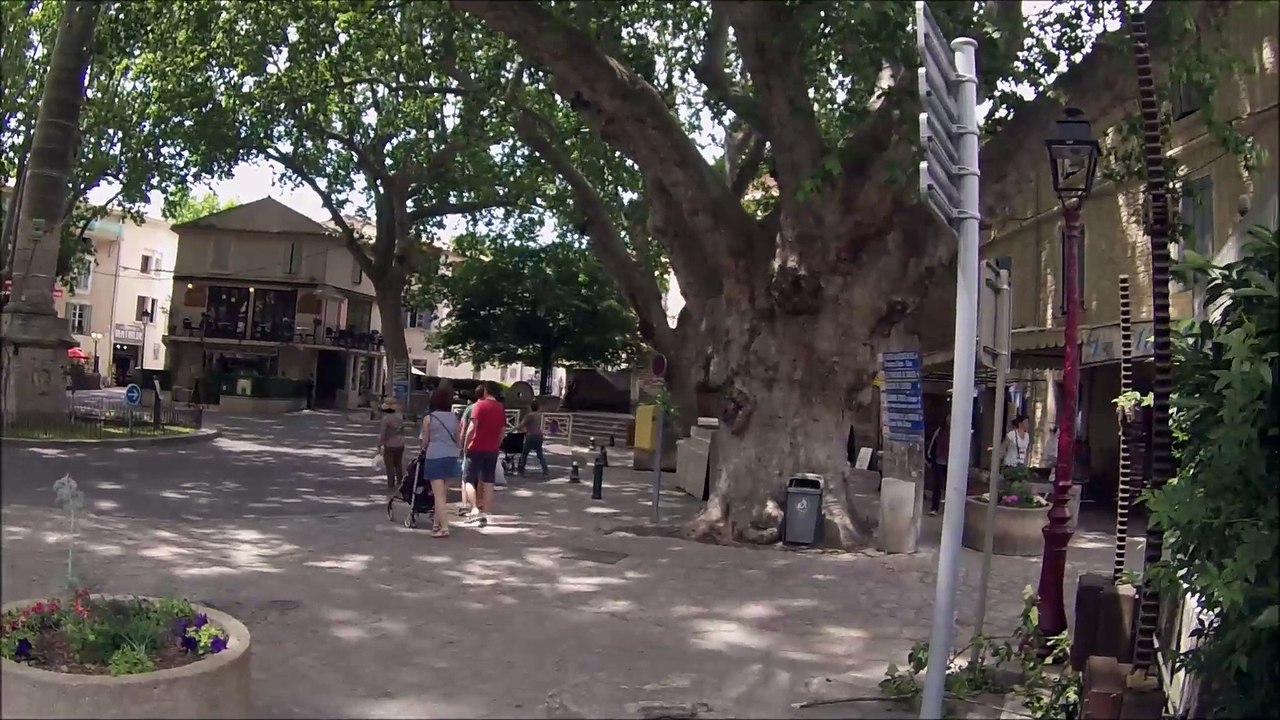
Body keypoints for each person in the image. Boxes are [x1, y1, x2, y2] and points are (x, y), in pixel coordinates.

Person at [418, 387, 461, 538]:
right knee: (443, 494)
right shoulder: (454, 418)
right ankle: (436, 525)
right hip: (451, 456)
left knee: (438, 496)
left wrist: (424, 449)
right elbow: (458, 438)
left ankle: (444, 528)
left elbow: (425, 441)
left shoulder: (429, 418)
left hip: (435, 456)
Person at [461, 381, 504, 524]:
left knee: (468, 479)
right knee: (488, 481)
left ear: (485, 391)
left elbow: (472, 427)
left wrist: (465, 445)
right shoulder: (500, 407)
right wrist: (497, 445)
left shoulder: (479, 405)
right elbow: (502, 431)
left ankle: (474, 508)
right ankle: (487, 511)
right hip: (492, 449)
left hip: (476, 447)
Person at [456, 396, 479, 517]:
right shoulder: (487, 407)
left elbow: (464, 427)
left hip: (471, 445)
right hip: (485, 446)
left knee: (465, 478)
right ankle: (479, 503)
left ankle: (465, 504)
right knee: (479, 478)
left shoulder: (470, 408)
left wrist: (461, 446)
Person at [376, 399, 405, 494]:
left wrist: (379, 444)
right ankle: (401, 483)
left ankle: (391, 485)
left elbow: (383, 433)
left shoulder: (386, 419)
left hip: (389, 444)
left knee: (390, 466)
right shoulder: (400, 417)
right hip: (400, 444)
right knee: (398, 464)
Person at [925, 414, 950, 516]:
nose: (950, 420)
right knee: (937, 485)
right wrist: (929, 458)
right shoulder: (940, 430)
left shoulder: (958, 432)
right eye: (948, 417)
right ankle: (934, 508)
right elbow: (933, 444)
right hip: (939, 460)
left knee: (951, 486)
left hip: (951, 463)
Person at [518, 400, 550, 477]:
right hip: (539, 435)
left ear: (530, 407)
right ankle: (545, 470)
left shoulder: (529, 416)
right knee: (540, 454)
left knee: (524, 453)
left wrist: (517, 428)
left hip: (531, 435)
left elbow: (521, 425)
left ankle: (521, 470)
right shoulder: (539, 415)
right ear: (538, 407)